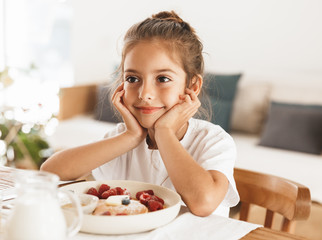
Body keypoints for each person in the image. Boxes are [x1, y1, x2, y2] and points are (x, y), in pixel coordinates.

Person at [41, 10, 239, 217]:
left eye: (162, 79)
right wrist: (131, 136)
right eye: (133, 79)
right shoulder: (123, 138)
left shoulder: (213, 140)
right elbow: (50, 172)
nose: (145, 94)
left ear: (193, 85)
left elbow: (203, 203)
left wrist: (164, 133)